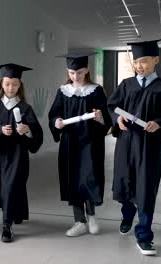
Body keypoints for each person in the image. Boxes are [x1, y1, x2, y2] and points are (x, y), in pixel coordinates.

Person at [107, 39, 161, 256]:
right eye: (136, 62)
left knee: (146, 188)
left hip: (150, 146)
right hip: (126, 143)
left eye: (144, 61)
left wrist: (159, 122)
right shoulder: (126, 84)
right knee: (125, 183)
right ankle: (127, 215)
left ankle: (144, 236)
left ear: (156, 60)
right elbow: (112, 106)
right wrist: (117, 119)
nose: (139, 66)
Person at [48, 52, 112, 237]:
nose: (75, 76)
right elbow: (54, 114)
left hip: (90, 142)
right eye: (71, 72)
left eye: (80, 72)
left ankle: (91, 215)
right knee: (73, 179)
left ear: (87, 70)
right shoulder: (63, 91)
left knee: (89, 177)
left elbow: (106, 119)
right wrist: (57, 122)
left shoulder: (96, 90)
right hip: (70, 142)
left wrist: (100, 118)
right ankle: (79, 221)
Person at [0, 63, 43, 242]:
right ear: (1, 84)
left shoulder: (26, 109)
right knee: (2, 188)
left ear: (20, 85)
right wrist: (0, 131)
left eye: (15, 84)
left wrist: (27, 130)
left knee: (11, 186)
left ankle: (6, 226)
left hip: (18, 155)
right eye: (7, 83)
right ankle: (15, 213)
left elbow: (37, 135)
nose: (11, 87)